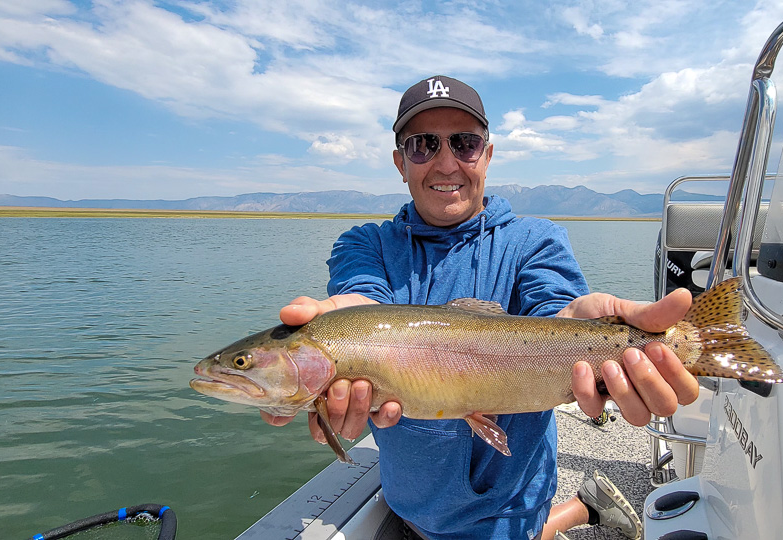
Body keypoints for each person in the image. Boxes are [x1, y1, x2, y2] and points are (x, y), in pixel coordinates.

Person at [262, 75, 700, 539]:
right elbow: (363, 300)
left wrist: (580, 327)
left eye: (465, 144)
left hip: (513, 503)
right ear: (400, 162)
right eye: (423, 145)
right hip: (411, 496)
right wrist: (349, 322)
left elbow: (557, 305)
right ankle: (582, 507)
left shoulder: (535, 240)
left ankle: (572, 509)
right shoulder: (364, 244)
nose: (446, 162)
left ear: (487, 155)